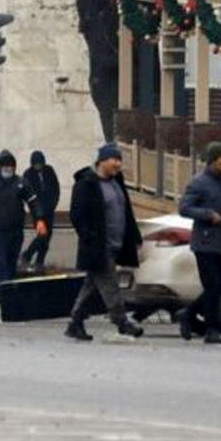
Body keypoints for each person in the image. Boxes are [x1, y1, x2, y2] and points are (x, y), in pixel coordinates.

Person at [65, 144, 145, 341]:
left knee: (91, 286)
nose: (118, 164)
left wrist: (134, 236)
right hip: (99, 246)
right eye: (114, 160)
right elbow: (77, 215)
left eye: (119, 160)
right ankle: (122, 322)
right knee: (110, 285)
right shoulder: (86, 184)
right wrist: (89, 237)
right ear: (102, 161)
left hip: (116, 242)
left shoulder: (116, 181)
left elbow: (126, 211)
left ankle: (75, 323)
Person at [177, 142, 221, 344]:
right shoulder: (199, 182)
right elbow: (184, 208)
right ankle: (212, 329)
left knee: (219, 286)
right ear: (212, 161)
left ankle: (188, 314)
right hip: (205, 243)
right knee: (212, 285)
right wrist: (207, 214)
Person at [0, 150, 48, 288]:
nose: (7, 168)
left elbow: (33, 201)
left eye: (10, 165)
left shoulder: (21, 183)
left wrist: (39, 219)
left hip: (16, 231)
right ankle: (3, 295)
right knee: (1, 263)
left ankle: (10, 296)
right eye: (4, 165)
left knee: (11, 263)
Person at [21, 151, 61, 268]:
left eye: (40, 163)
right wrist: (34, 209)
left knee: (48, 237)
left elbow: (56, 188)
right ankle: (27, 254)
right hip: (37, 211)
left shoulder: (49, 171)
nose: (38, 166)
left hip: (49, 208)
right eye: (36, 164)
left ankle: (40, 260)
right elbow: (28, 193)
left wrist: (53, 204)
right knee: (42, 235)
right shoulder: (28, 174)